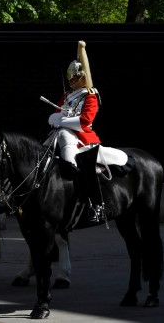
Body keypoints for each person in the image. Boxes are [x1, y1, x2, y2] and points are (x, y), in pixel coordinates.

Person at [47, 40, 105, 224]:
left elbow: (86, 121)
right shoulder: (67, 96)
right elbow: (53, 117)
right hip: (62, 134)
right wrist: (59, 116)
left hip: (83, 137)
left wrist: (63, 119)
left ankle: (96, 205)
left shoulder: (91, 95)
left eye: (74, 77)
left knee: (85, 164)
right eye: (69, 77)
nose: (70, 80)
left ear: (83, 77)